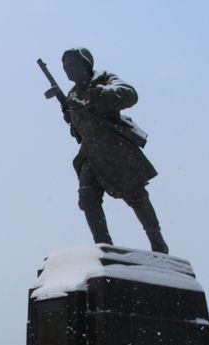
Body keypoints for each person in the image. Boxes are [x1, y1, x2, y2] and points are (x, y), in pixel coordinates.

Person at [61, 47, 168, 254]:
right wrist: (71, 117)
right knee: (87, 198)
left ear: (85, 64)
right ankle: (103, 246)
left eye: (72, 64)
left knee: (136, 197)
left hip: (114, 150)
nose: (68, 69)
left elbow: (129, 95)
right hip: (90, 153)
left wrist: (94, 96)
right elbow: (79, 129)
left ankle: (157, 242)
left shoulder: (103, 79)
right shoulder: (71, 94)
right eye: (65, 66)